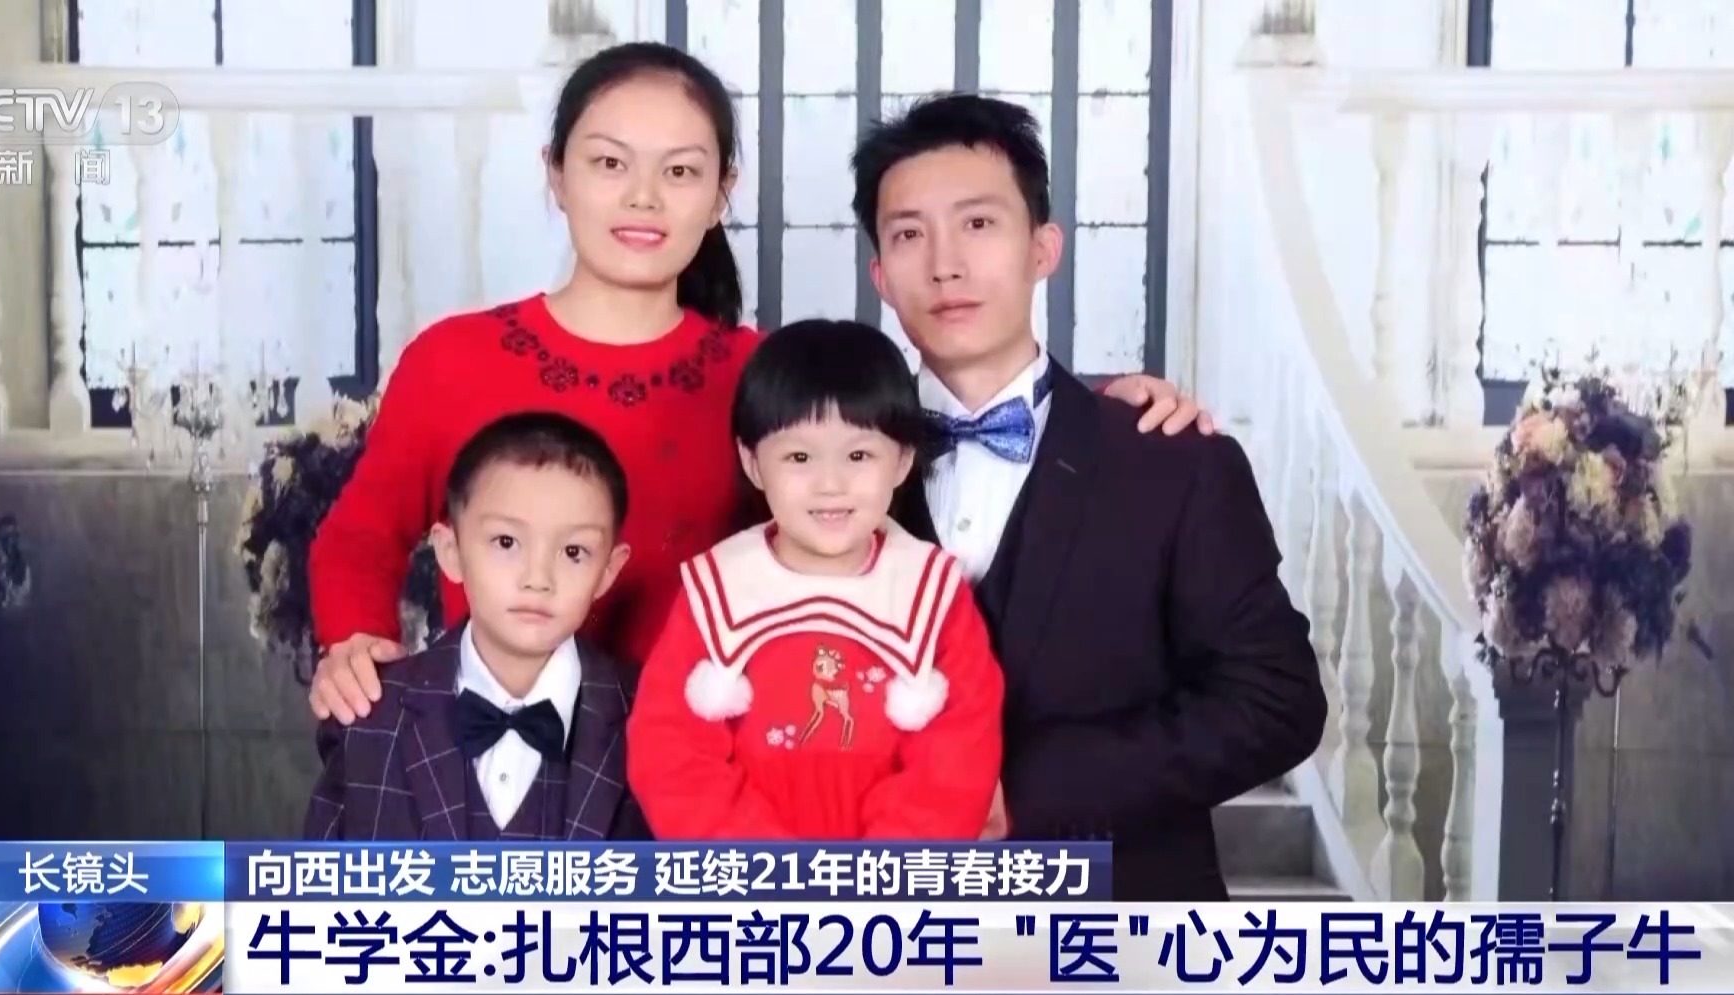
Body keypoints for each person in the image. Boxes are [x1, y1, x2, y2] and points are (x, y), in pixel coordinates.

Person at [305, 41, 1210, 727]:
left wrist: (1093, 406)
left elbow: (903, 437)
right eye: (610, 163)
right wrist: (354, 644)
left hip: (725, 779)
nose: (644, 198)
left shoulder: (763, 373)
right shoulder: (453, 358)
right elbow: (359, 537)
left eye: (681, 171)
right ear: (556, 173)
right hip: (504, 763)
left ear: (722, 192)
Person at [853, 94, 1326, 897]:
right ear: (880, 277)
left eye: (978, 224)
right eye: (907, 235)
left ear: (1043, 248)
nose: (944, 264)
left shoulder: (1172, 460)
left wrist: (1029, 791)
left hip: (1123, 919)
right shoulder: (816, 469)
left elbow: (1275, 700)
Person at [626, 319, 1001, 839]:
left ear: (902, 462)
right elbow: (671, 752)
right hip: (745, 878)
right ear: (752, 463)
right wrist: (766, 867)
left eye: (859, 455)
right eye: (799, 457)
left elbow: (958, 756)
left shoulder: (931, 591)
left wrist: (883, 870)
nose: (830, 484)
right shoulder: (717, 588)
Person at [305, 412, 650, 841]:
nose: (538, 578)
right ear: (451, 551)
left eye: (574, 552)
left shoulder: (653, 718)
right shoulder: (368, 719)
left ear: (609, 571)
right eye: (506, 542)